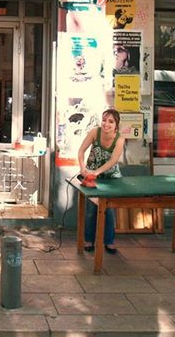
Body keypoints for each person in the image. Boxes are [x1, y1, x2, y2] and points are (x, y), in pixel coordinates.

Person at [77, 108, 125, 254]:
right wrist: (82, 167)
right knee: (91, 209)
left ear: (116, 125)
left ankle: (109, 242)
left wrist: (97, 172)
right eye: (104, 120)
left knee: (109, 210)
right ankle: (88, 240)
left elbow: (113, 161)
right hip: (91, 176)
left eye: (111, 121)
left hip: (110, 177)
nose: (106, 124)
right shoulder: (94, 132)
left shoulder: (120, 139)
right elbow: (81, 151)